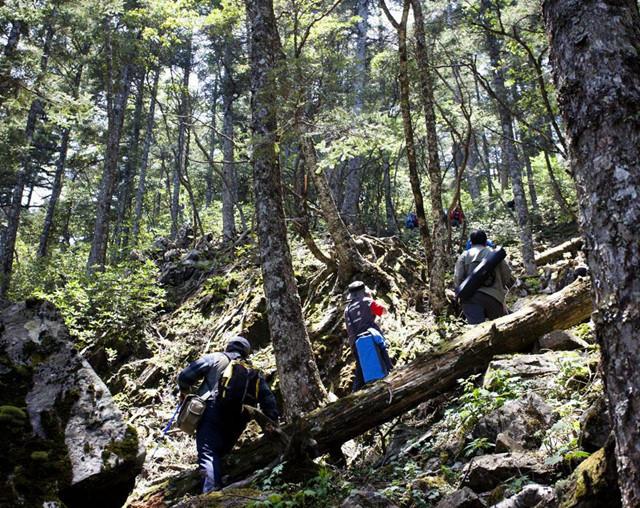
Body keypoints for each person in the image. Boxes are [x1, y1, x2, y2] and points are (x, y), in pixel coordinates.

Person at [177, 336, 279, 493]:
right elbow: (268, 400)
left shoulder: (216, 358)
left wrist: (185, 391)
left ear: (228, 346)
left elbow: (185, 376)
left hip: (213, 411)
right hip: (239, 419)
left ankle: (210, 496)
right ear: (246, 353)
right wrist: (273, 423)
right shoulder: (254, 372)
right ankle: (219, 486)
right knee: (220, 453)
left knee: (208, 452)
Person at [454, 230, 514, 325]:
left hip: (470, 298)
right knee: (500, 327)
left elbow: (458, 278)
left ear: (471, 242)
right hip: (494, 298)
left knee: (476, 331)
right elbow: (507, 274)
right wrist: (498, 288)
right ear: (486, 241)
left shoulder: (464, 256)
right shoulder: (495, 255)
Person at [344, 281, 391, 391]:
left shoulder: (347, 310)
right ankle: (391, 379)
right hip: (372, 338)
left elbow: (349, 329)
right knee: (385, 360)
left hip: (356, 343)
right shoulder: (368, 302)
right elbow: (384, 311)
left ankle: (354, 395)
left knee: (360, 371)